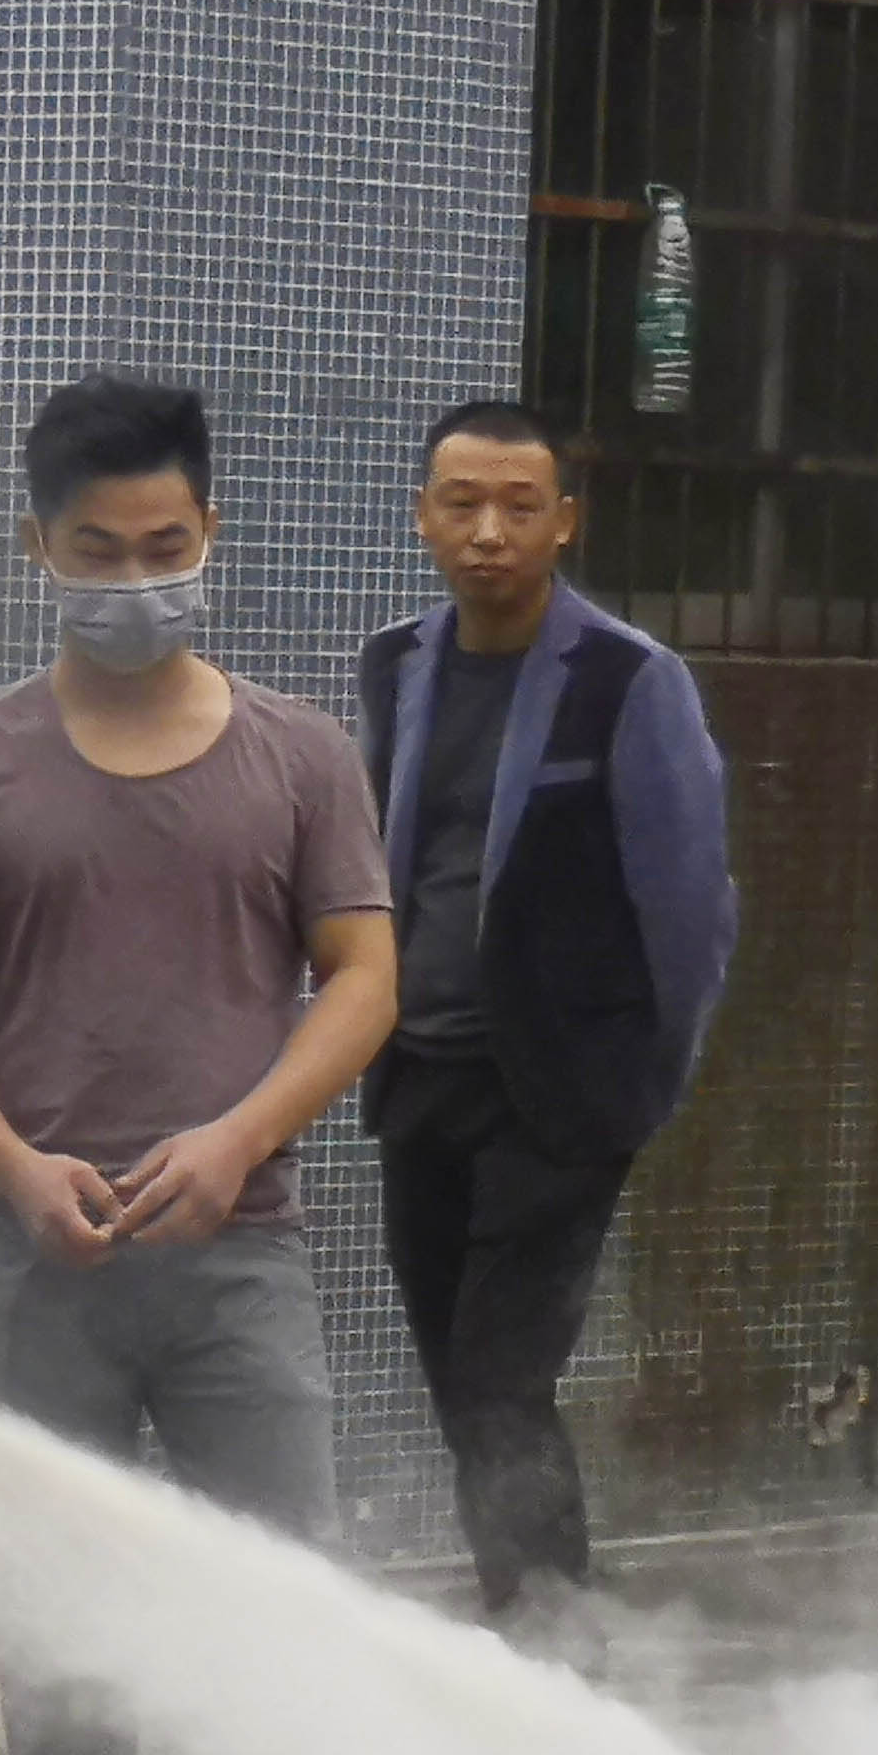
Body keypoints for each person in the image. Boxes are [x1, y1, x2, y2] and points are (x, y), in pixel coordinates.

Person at [0, 371, 414, 1755]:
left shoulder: (298, 758)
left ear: (210, 536)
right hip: (44, 1263)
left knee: (290, 1591)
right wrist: (14, 1165)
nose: (134, 579)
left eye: (164, 546)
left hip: (241, 1255)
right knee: (58, 1604)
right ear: (39, 548)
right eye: (98, 551)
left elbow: (364, 979)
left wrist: (243, 1133)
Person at [354, 400, 737, 1623]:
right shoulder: (395, 664)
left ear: (564, 523)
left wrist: (635, 1092)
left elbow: (689, 911)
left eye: (520, 507)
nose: (489, 532)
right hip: (421, 1076)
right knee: (455, 1378)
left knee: (500, 1378)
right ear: (423, 517)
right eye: (462, 503)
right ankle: (527, 1612)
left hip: (560, 1099)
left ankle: (556, 1635)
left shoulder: (628, 680)